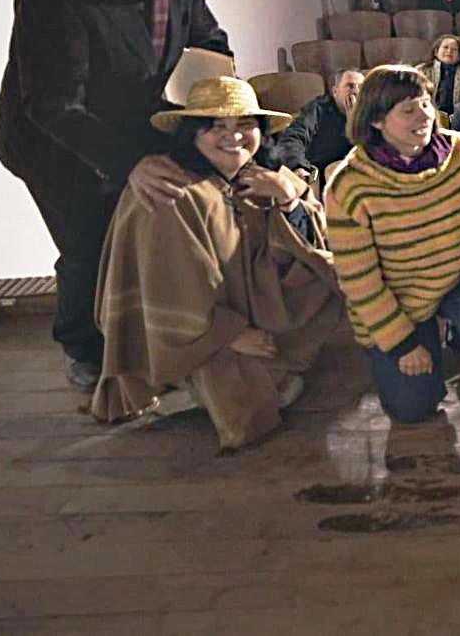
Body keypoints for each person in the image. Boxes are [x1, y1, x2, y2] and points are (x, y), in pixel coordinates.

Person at [0, 0, 235, 388]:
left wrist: (219, 113)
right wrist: (129, 164)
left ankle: (151, 335)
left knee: (158, 221)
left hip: (130, 122)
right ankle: (83, 348)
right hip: (53, 141)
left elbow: (210, 43)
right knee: (88, 242)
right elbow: (53, 105)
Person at [91, 77, 341, 448]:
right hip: (195, 329)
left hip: (255, 310)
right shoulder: (169, 189)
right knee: (251, 397)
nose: (234, 137)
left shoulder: (265, 174)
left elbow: (318, 247)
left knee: (330, 273)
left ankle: (241, 375)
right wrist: (231, 334)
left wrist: (288, 200)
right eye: (216, 126)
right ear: (192, 133)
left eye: (245, 125)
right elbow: (167, 285)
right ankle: (186, 384)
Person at [327, 66, 460, 419]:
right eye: (408, 110)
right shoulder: (349, 185)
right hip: (399, 299)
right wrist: (402, 343)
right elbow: (359, 280)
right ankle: (421, 340)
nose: (425, 116)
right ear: (376, 121)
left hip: (458, 278)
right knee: (412, 408)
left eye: (426, 104)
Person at [269, 68, 364, 184]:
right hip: (321, 176)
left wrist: (355, 123)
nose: (357, 91)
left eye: (361, 87)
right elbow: (293, 137)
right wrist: (298, 166)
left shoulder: (370, 112)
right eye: (350, 86)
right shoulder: (317, 109)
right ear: (335, 91)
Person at [416, 36, 460, 117]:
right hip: (429, 115)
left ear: (459, 56)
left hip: (459, 117)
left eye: (454, 49)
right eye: (445, 47)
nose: (449, 51)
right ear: (436, 52)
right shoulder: (422, 70)